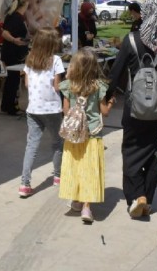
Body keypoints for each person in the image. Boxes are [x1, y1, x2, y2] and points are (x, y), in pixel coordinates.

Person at [105, 0, 157, 219]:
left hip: (134, 108)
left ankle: (136, 197)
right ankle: (147, 198)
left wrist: (108, 97)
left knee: (131, 152)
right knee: (156, 154)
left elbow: (116, 72)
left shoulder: (131, 40)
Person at [59, 48, 114, 223]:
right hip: (93, 133)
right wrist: (112, 101)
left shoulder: (69, 86)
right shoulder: (98, 87)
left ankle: (75, 199)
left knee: (75, 166)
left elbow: (65, 110)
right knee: (90, 169)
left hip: (74, 135)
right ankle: (87, 208)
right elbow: (104, 112)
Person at [18, 28, 65, 198]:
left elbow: (27, 84)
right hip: (52, 108)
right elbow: (57, 86)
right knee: (58, 142)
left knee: (32, 145)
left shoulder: (30, 59)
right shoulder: (56, 60)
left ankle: (24, 183)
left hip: (33, 108)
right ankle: (58, 176)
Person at [0, 0, 30, 115]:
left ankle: (6, 105)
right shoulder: (15, 17)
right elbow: (5, 33)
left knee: (11, 79)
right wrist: (14, 40)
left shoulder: (16, 17)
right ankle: (10, 107)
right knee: (13, 80)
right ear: (25, 4)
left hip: (13, 52)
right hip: (12, 52)